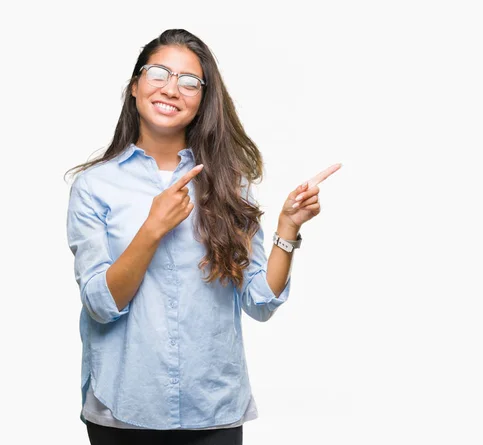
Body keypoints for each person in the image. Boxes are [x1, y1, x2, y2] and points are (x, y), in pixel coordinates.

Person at [65, 28, 341, 445]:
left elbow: (260, 300)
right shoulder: (95, 187)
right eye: (159, 73)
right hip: (123, 407)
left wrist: (288, 227)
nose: (172, 89)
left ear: (202, 100)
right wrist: (153, 227)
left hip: (212, 410)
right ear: (135, 87)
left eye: (189, 81)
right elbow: (101, 305)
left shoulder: (231, 184)